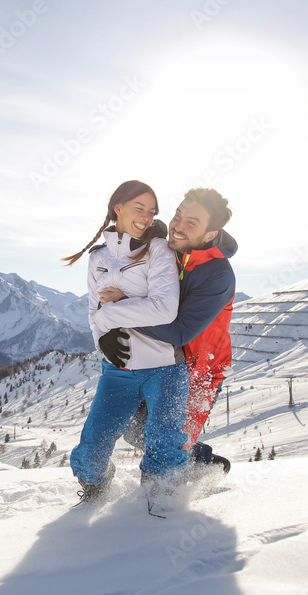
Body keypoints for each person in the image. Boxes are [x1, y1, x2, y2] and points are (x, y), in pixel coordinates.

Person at [63, 180, 189, 504]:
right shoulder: (97, 259)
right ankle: (97, 490)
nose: (146, 217)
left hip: (164, 367)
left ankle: (160, 500)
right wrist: (100, 340)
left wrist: (111, 316)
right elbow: (93, 311)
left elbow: (164, 308)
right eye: (139, 208)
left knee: (163, 445)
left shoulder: (158, 250)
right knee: (90, 454)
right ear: (118, 207)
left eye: (151, 212)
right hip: (117, 370)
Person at [98, 188, 237, 475]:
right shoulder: (167, 249)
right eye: (178, 216)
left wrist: (122, 308)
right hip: (162, 359)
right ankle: (194, 458)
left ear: (210, 234)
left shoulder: (218, 275)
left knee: (170, 442)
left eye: (192, 223)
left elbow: (180, 331)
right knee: (135, 430)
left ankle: (195, 474)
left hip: (200, 370)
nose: (178, 225)